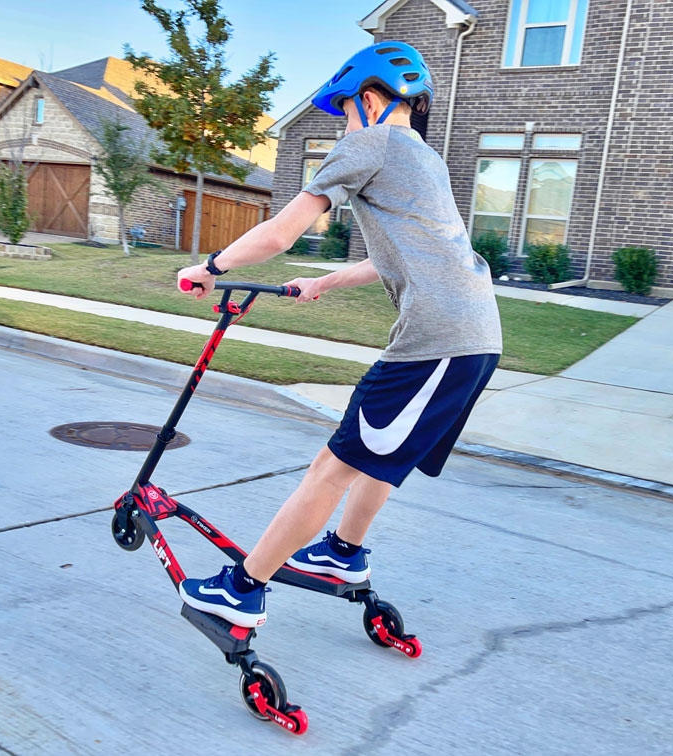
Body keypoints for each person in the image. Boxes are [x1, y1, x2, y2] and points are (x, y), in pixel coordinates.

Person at [174, 41, 502, 628]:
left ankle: (243, 588)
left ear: (371, 100)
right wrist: (323, 282)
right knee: (376, 457)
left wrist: (210, 267)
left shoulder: (369, 142)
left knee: (331, 466)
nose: (342, 124)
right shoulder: (424, 158)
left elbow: (279, 233)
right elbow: (396, 259)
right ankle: (342, 553)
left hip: (437, 341)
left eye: (345, 111)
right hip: (473, 339)